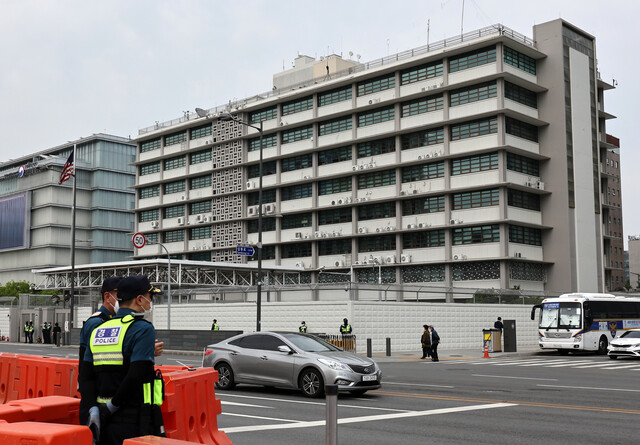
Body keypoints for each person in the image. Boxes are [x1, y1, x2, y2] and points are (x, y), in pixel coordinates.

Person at [80, 275, 165, 445]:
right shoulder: (142, 329)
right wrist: (112, 407)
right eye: (150, 297)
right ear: (139, 299)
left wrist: (95, 411)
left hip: (102, 420)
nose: (150, 301)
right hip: (134, 419)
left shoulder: (100, 329)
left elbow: (85, 376)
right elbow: (136, 374)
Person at [78, 276, 121, 425]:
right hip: (95, 396)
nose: (123, 298)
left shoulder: (114, 321)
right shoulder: (97, 322)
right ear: (107, 296)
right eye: (119, 294)